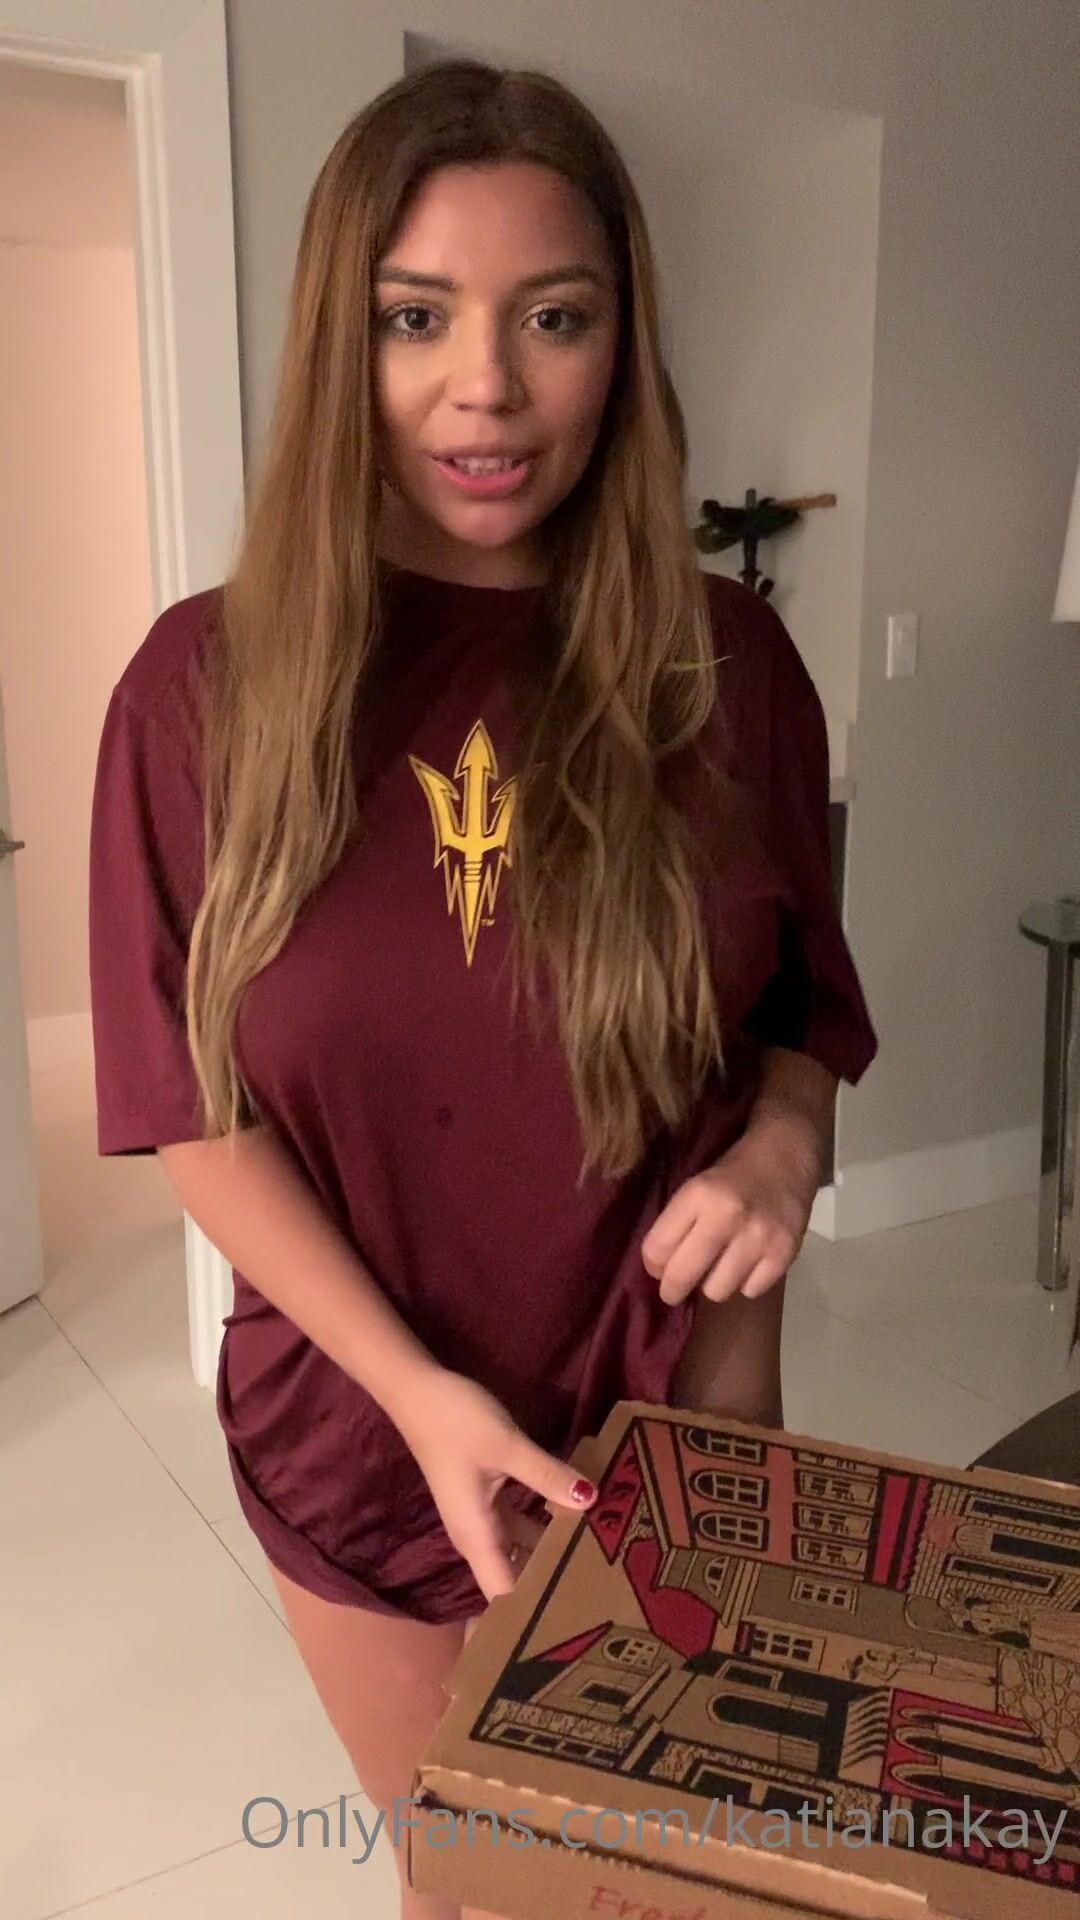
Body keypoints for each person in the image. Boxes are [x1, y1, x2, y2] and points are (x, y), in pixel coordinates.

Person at [88, 59, 877, 1920]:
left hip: (677, 1414)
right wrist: (419, 1397)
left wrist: (782, 1151)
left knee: (692, 1886)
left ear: (621, 347)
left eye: (556, 318)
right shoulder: (201, 693)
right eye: (416, 317)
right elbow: (193, 1111)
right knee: (477, 1890)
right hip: (366, 1430)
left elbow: (798, 1011)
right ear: (337, 343)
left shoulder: (728, 668)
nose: (489, 388)